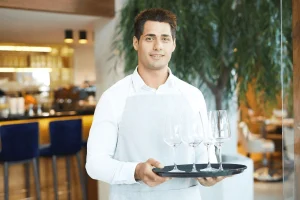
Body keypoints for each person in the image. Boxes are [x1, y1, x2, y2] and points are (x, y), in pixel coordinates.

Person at [86, 8, 226, 200]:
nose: (158, 46)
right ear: (136, 43)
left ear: (173, 45)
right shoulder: (113, 97)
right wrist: (136, 170)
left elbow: (205, 154)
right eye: (150, 38)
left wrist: (208, 173)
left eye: (165, 39)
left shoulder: (193, 95)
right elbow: (95, 163)